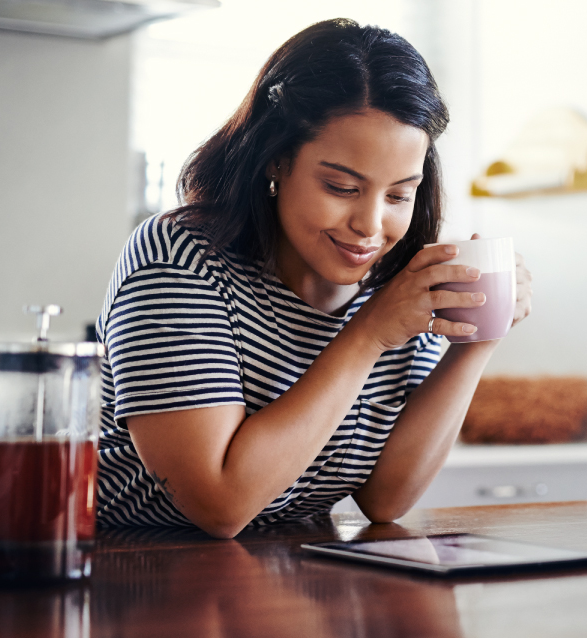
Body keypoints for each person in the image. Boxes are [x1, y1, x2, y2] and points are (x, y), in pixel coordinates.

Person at [95, 18, 532, 538]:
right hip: (128, 576)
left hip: (284, 581)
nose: (370, 227)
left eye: (398, 195)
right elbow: (218, 503)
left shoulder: (394, 282)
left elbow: (385, 498)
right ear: (276, 159)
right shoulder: (180, 260)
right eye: (342, 187)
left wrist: (477, 337)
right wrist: (369, 334)